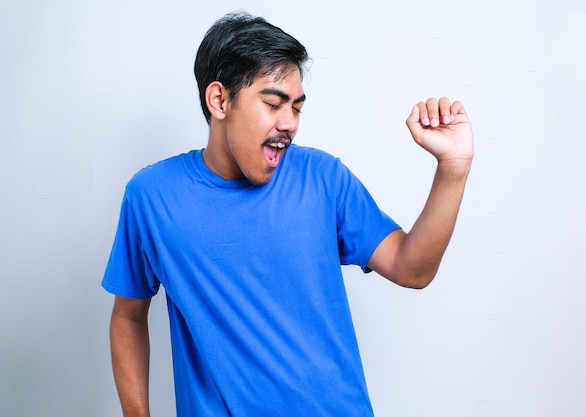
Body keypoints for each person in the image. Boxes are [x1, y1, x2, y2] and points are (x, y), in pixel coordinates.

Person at [102, 11, 473, 417]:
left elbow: (412, 269)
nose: (290, 124)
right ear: (220, 100)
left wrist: (452, 170)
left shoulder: (324, 178)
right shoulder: (153, 197)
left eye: (296, 107)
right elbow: (129, 317)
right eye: (274, 103)